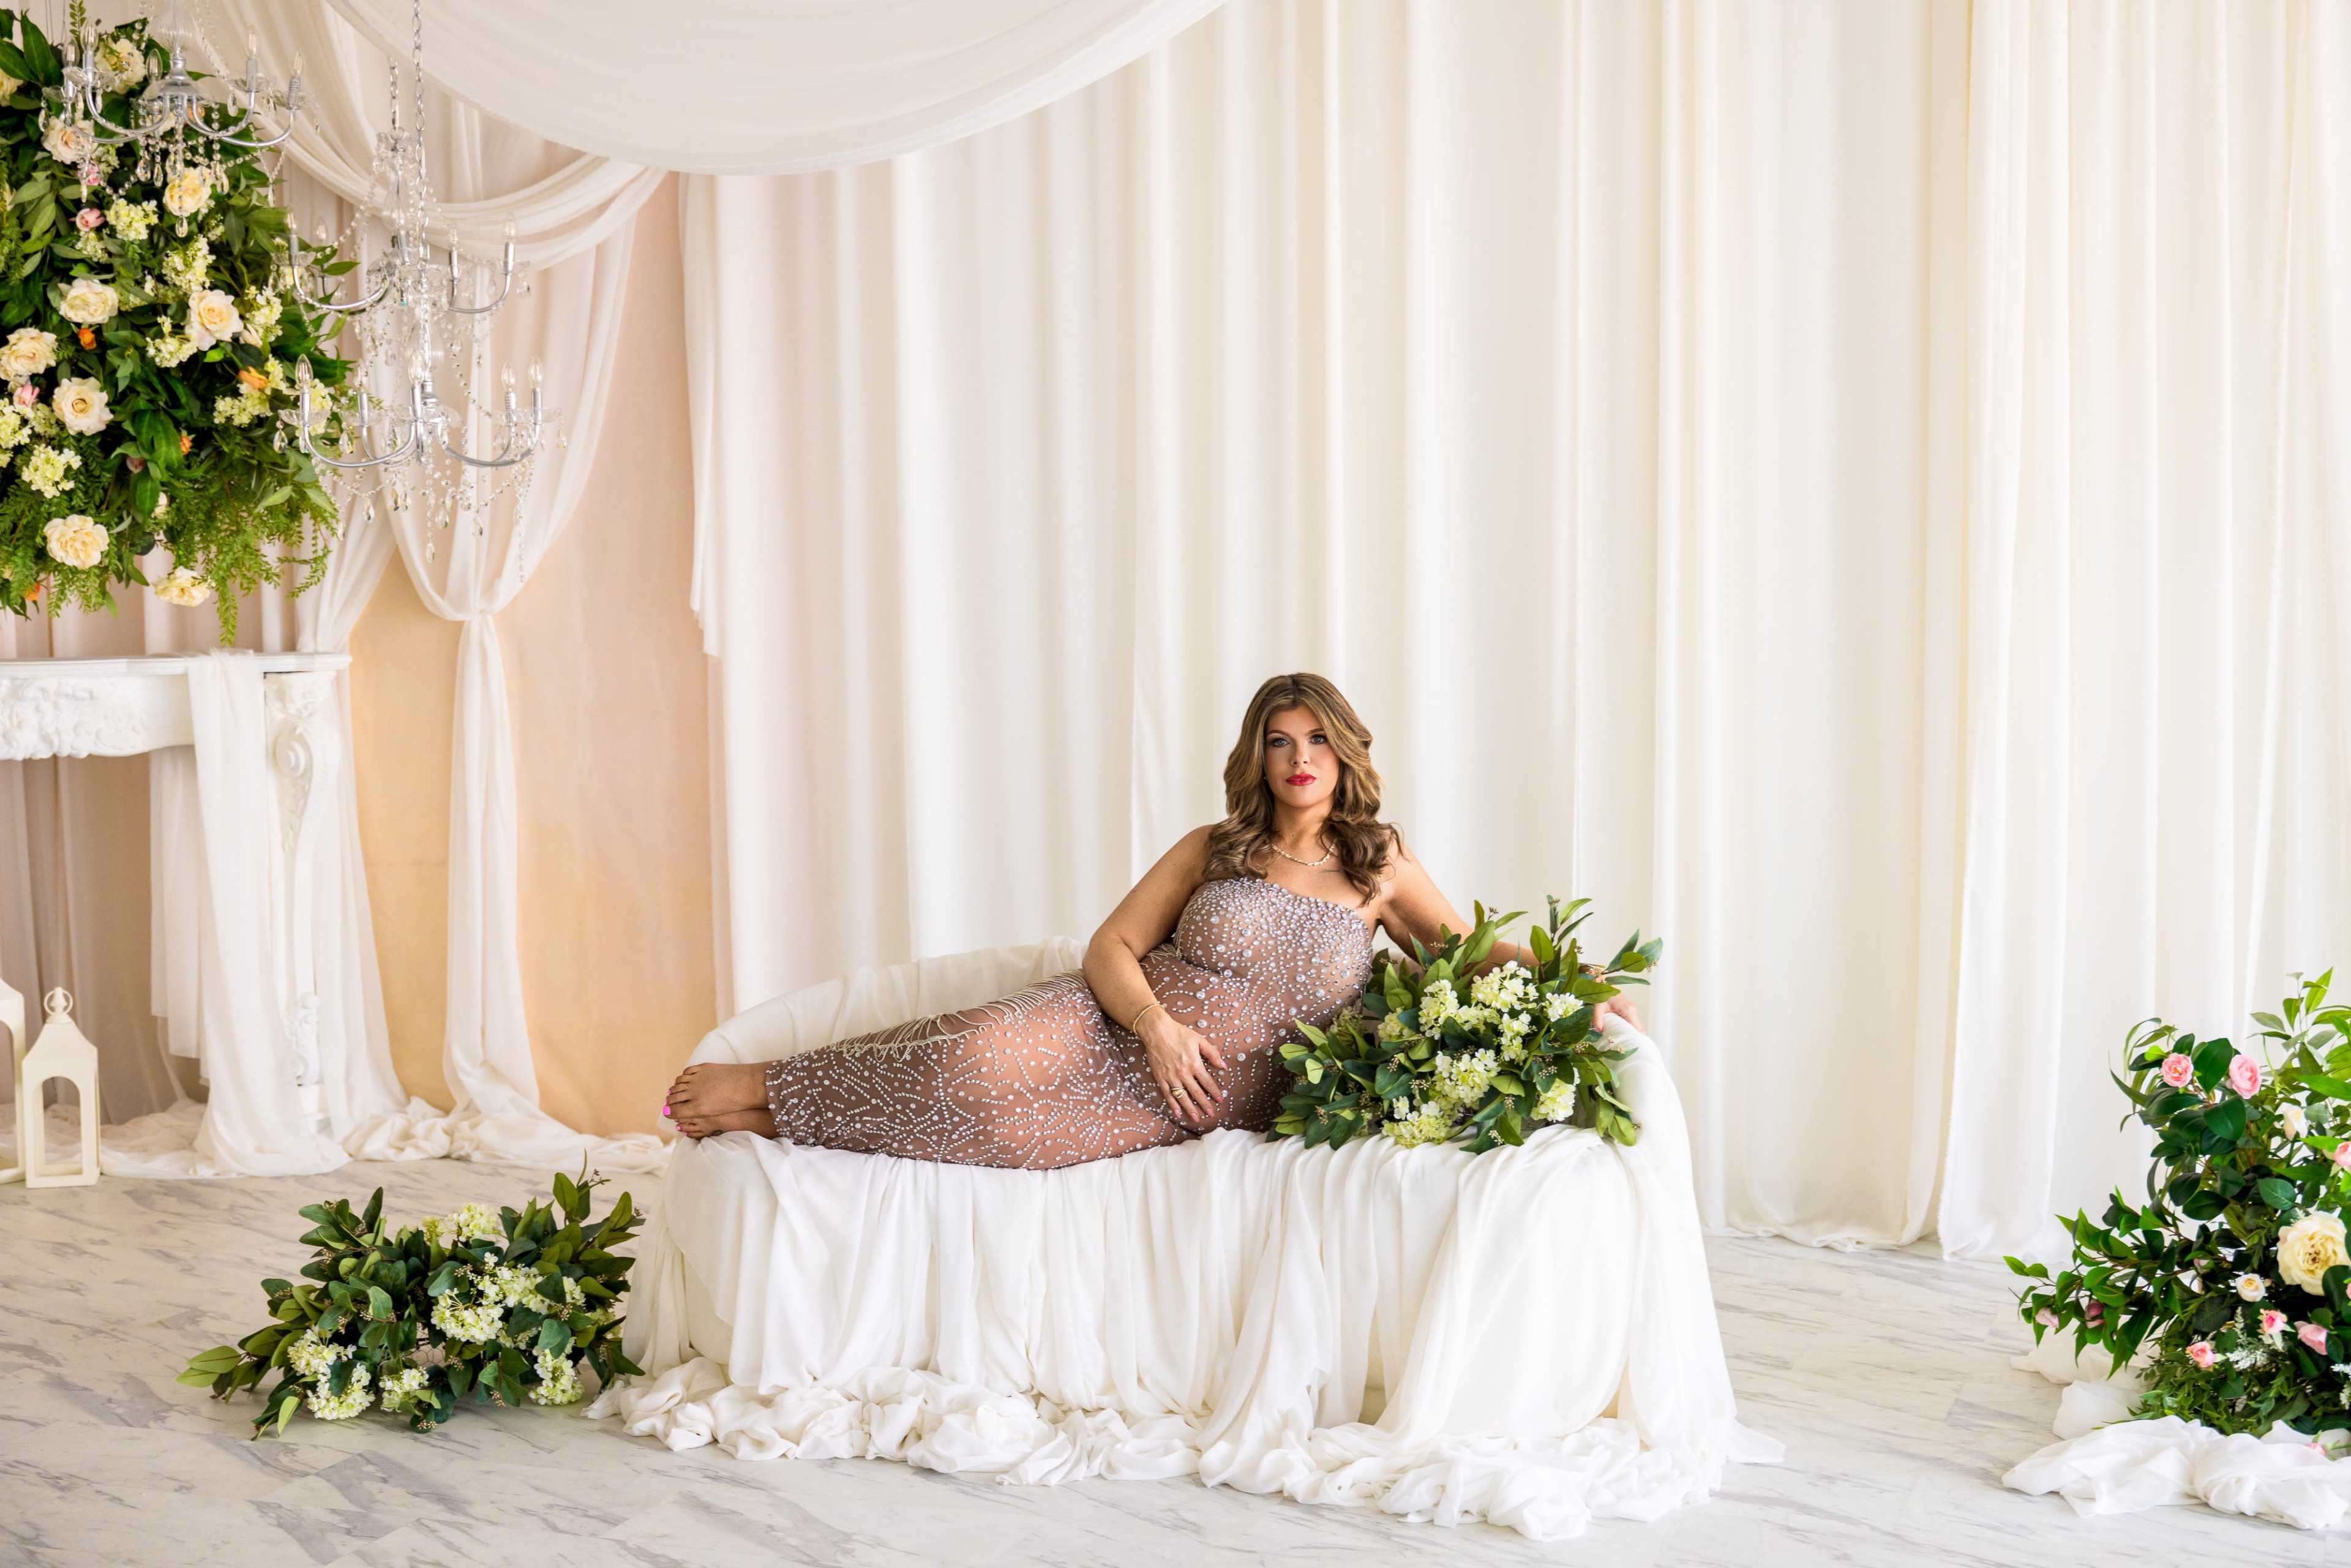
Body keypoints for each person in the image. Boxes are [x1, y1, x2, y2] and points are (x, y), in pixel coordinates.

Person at [661, 672, 1641, 1168]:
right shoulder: (1215, 845)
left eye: (1316, 740)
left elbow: (1470, 956)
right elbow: (1111, 946)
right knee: (976, 1056)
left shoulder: (1379, 864)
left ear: (1344, 754)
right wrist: (1158, 1027)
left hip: (1207, 1096)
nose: (1299, 757)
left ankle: (771, 1115)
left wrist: (1582, 991)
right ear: (1256, 757)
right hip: (1123, 1021)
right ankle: (759, 1089)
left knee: (1007, 1133)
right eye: (1277, 740)